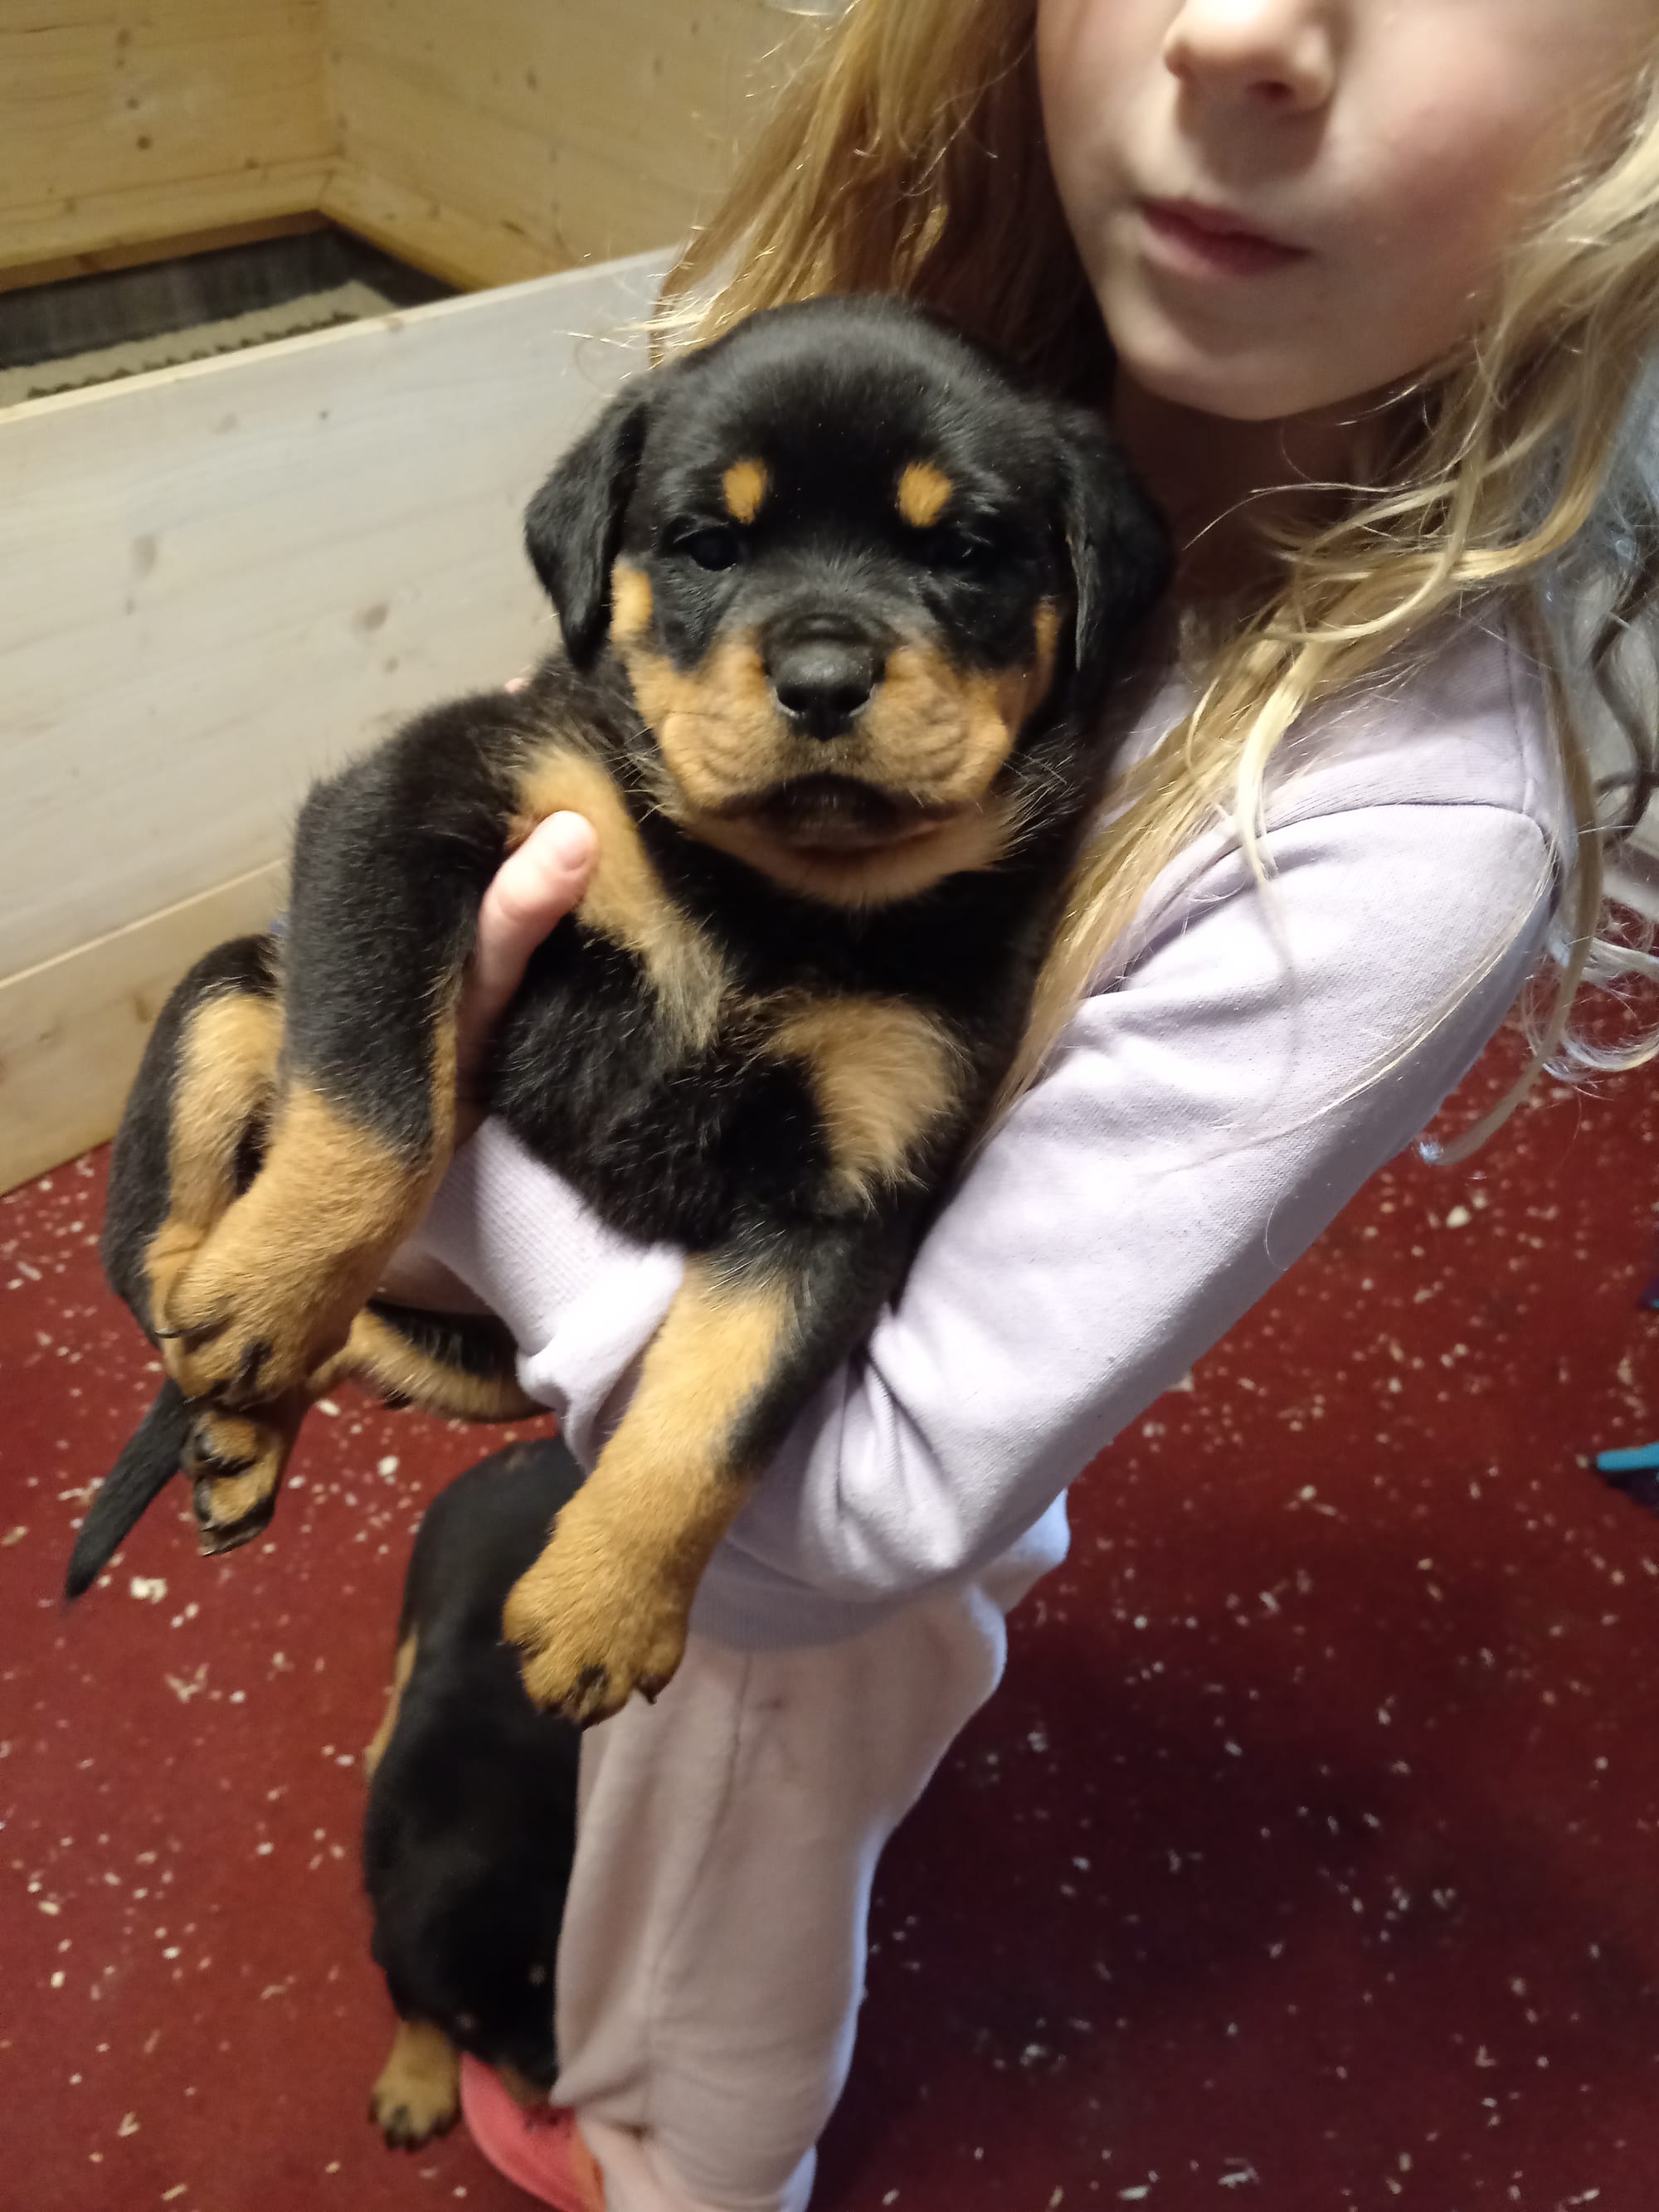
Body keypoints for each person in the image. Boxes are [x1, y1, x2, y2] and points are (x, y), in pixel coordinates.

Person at [387, 2, 1659, 2205]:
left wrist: (446, 1153)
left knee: (748, 1799)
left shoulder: (1411, 822)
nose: (1243, 28)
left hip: (814, 1504)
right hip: (717, 1285)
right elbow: (565, 768)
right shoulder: (919, 360)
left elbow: (853, 1523)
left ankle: (695, 2158)